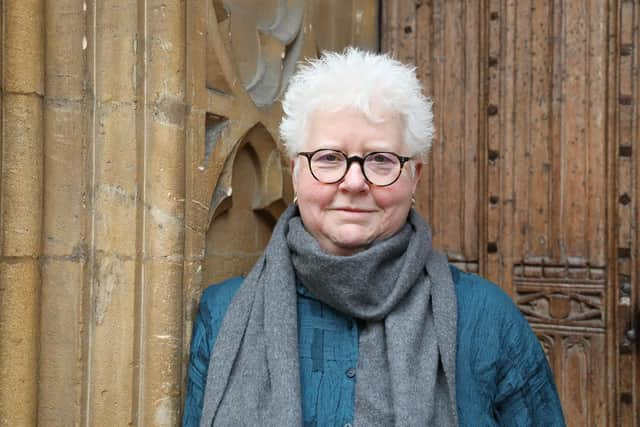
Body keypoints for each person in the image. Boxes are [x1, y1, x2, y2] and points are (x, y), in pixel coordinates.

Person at [183, 48, 566, 426]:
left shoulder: (486, 319)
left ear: (414, 177)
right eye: (329, 158)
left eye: (381, 160)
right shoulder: (223, 314)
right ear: (296, 172)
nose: (354, 182)